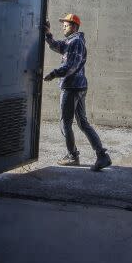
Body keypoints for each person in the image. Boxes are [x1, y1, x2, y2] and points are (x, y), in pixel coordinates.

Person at [43, 13, 112, 171]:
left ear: (74, 26)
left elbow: (71, 66)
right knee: (83, 123)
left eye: (66, 25)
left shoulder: (75, 42)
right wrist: (48, 33)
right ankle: (102, 156)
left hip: (72, 87)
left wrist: (53, 74)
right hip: (79, 87)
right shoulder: (72, 42)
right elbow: (56, 45)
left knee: (65, 123)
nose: (63, 27)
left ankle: (72, 156)